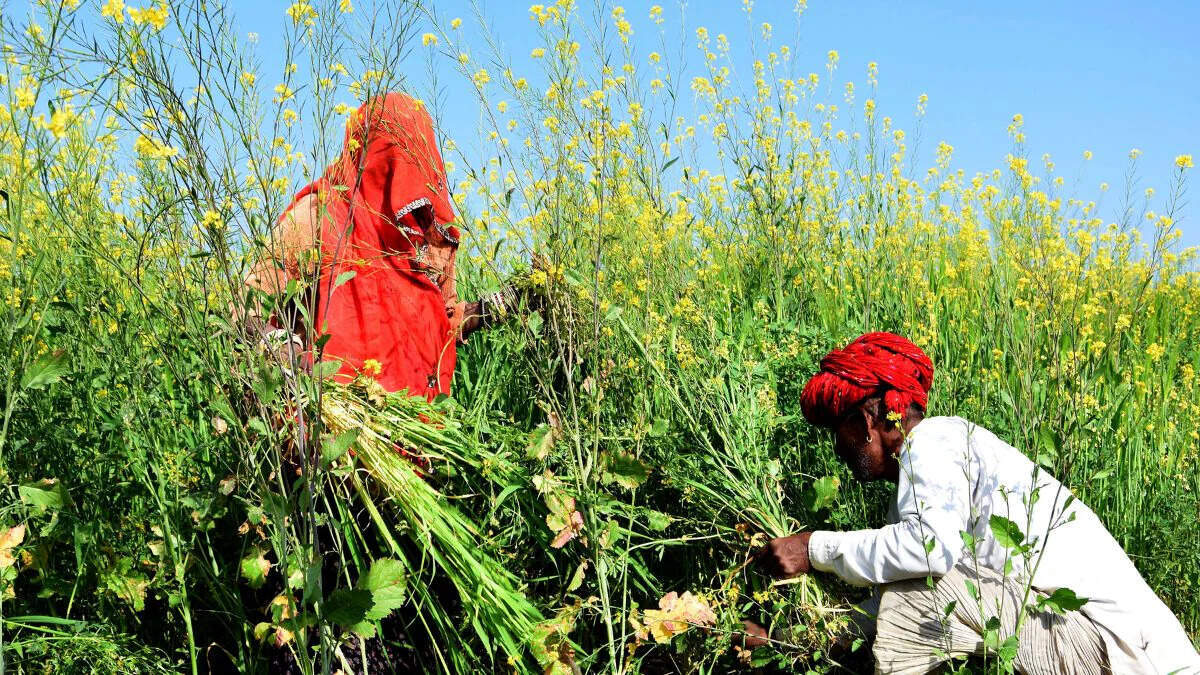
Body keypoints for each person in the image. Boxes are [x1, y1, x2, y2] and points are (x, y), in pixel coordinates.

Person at [750, 332, 1200, 674]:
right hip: (1099, 643)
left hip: (1121, 652)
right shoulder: (925, 476)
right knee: (912, 590)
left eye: (838, 432)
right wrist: (786, 642)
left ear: (866, 421)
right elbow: (899, 590)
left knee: (919, 590)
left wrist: (813, 549)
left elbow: (927, 557)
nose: (838, 449)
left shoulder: (934, 443)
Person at [240, 91, 518, 398]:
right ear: (367, 153)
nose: (404, 172)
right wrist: (286, 352)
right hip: (328, 424)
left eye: (412, 157)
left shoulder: (427, 236)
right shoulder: (320, 219)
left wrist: (495, 308)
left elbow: (443, 324)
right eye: (393, 154)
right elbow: (243, 310)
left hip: (413, 424)